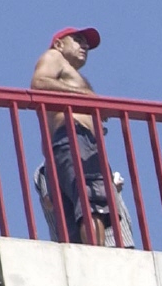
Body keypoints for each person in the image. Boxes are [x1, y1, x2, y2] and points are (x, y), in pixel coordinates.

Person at [30, 26, 109, 245]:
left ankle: (86, 256)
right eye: (77, 40)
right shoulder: (54, 57)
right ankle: (96, 256)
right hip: (74, 138)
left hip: (68, 144)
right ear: (59, 44)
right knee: (91, 203)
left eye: (86, 43)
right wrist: (87, 97)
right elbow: (39, 83)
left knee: (76, 214)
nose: (85, 46)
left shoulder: (71, 73)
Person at [33, 163, 135, 248]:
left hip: (119, 239)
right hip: (98, 242)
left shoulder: (94, 160)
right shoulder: (49, 166)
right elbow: (50, 202)